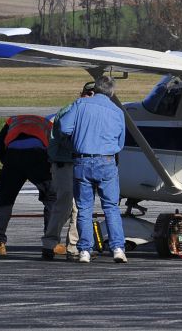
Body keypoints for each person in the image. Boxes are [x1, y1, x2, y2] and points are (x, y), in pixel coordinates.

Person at [59, 75, 127, 264]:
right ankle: (118, 248)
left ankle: (84, 251)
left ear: (95, 89)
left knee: (84, 208)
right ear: (111, 92)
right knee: (111, 207)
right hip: (107, 161)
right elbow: (120, 143)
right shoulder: (117, 111)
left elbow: (64, 127)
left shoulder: (80, 105)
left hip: (83, 161)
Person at [0, 115, 55, 256]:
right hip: (38, 156)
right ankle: (50, 243)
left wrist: (7, 162)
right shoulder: (47, 124)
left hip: (13, 155)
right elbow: (53, 147)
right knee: (50, 198)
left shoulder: (12, 120)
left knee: (6, 200)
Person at [41, 82, 95, 261]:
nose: (91, 96)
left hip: (79, 163)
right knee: (64, 206)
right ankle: (50, 243)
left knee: (79, 207)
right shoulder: (70, 111)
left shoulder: (85, 111)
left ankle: (73, 247)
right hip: (65, 163)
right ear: (84, 94)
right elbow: (65, 136)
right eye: (89, 93)